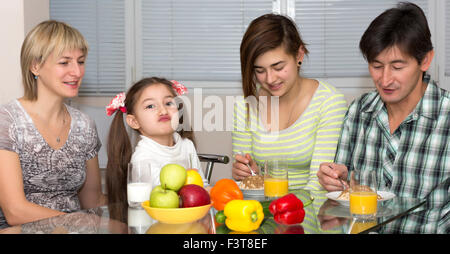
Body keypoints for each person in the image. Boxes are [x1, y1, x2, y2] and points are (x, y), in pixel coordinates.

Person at [317, 2, 449, 233]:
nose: (385, 80)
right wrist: (337, 180)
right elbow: (343, 197)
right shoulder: (359, 111)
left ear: (425, 61)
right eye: (376, 66)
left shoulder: (445, 117)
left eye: (397, 67)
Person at [0, 20, 105, 229]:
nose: (76, 72)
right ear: (35, 66)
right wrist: (76, 221)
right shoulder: (7, 120)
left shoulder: (85, 125)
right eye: (64, 62)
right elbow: (15, 211)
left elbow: (92, 202)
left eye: (81, 61)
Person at [232, 13, 348, 203]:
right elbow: (247, 187)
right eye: (259, 70)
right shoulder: (244, 107)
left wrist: (283, 214)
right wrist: (246, 173)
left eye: (278, 67)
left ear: (299, 55)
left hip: (311, 215)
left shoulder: (329, 102)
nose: (270, 79)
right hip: (261, 215)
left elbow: (318, 185)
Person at [105, 77, 206, 210]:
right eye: (150, 106)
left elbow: (202, 185)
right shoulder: (142, 158)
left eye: (169, 103)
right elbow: (164, 193)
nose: (163, 110)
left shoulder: (187, 145)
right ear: (134, 121)